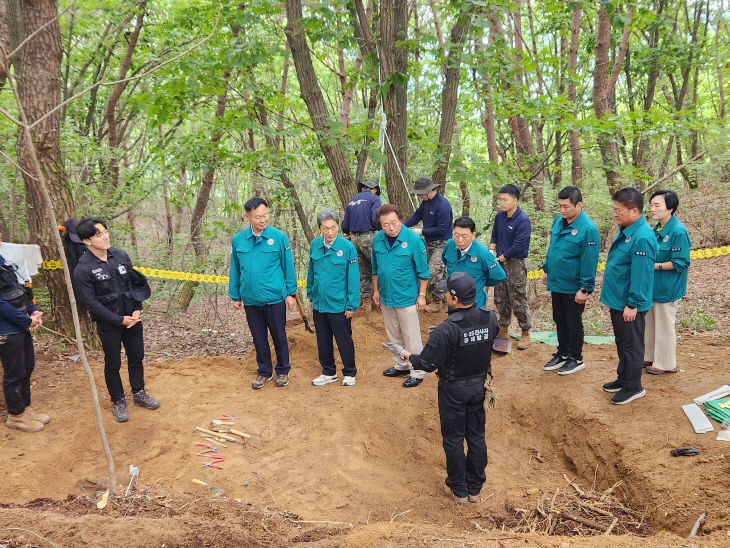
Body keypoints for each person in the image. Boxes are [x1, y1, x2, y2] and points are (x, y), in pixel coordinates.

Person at [382, 272, 498, 504]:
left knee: (454, 438)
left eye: (447, 292)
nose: (444, 294)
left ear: (454, 299)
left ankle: (459, 489)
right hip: (479, 386)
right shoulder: (490, 318)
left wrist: (403, 353)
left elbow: (426, 364)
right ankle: (474, 488)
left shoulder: (447, 330)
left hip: (453, 390)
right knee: (476, 436)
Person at [73, 218, 159, 422]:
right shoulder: (83, 269)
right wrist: (119, 320)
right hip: (109, 323)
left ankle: (139, 393)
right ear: (87, 241)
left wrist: (137, 310)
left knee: (136, 356)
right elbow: (91, 303)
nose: (105, 236)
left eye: (105, 231)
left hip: (133, 320)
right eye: (98, 234)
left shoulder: (120, 256)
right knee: (113, 361)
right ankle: (118, 400)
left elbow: (135, 284)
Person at [229, 197, 297, 389]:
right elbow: (235, 269)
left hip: (274, 297)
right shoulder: (238, 240)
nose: (262, 220)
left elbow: (288, 266)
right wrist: (235, 295)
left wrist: (290, 293)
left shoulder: (278, 237)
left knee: (278, 336)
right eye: (258, 217)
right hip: (251, 299)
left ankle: (283, 371)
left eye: (265, 215)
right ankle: (264, 372)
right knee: (258, 337)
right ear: (247, 217)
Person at [600, 188, 657, 405]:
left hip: (629, 303)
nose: (615, 214)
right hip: (617, 299)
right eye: (614, 210)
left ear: (634, 211)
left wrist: (633, 304)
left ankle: (634, 387)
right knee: (622, 341)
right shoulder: (627, 228)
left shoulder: (641, 236)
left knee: (632, 345)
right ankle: (623, 378)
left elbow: (641, 275)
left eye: (618, 211)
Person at [541, 186, 600, 375]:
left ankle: (576, 357)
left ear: (579, 205)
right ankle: (563, 353)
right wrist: (546, 269)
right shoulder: (559, 220)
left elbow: (589, 261)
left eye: (566, 206)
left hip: (573, 285)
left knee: (573, 322)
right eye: (559, 206)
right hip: (557, 281)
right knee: (559, 318)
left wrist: (585, 288)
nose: (562, 210)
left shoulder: (588, 229)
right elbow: (553, 248)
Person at [372, 204, 430, 388]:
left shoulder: (413, 240)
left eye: (394, 223)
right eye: (385, 224)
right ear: (380, 225)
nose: (391, 228)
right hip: (387, 296)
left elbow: (423, 271)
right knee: (394, 334)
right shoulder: (378, 239)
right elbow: (375, 269)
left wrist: (422, 295)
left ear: (401, 220)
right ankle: (402, 364)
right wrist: (376, 290)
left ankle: (417, 371)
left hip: (406, 296)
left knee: (411, 336)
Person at [307, 208, 360, 386]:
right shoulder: (315, 245)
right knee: (322, 339)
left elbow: (353, 279)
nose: (330, 232)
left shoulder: (347, 247)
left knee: (344, 339)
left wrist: (351, 304)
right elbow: (311, 273)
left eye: (333, 227)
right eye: (325, 228)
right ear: (319, 228)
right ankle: (328, 372)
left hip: (339, 304)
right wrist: (311, 297)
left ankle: (350, 372)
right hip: (319, 303)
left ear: (338, 226)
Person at [0, 233, 47, 432]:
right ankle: (15, 415)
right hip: (7, 330)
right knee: (14, 372)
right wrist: (27, 321)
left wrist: (32, 310)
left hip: (21, 325)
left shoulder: (3, 261)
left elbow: (19, 289)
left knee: (27, 366)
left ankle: (25, 408)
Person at [644, 190, 691, 375]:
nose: (652, 209)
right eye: (651, 205)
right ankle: (649, 356)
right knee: (650, 323)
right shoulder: (657, 229)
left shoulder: (678, 231)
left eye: (657, 205)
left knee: (664, 325)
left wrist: (654, 266)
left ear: (670, 208)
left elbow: (680, 262)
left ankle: (666, 363)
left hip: (668, 287)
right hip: (653, 287)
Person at [489, 184, 532, 349]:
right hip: (499, 261)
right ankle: (503, 329)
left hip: (515, 263)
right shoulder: (500, 216)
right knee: (500, 297)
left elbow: (519, 245)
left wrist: (501, 257)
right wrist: (491, 250)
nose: (502, 203)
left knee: (518, 298)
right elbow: (495, 234)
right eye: (500, 199)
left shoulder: (522, 220)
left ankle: (526, 332)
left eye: (505, 200)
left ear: (515, 200)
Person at [404, 176, 453, 312]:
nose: (419, 196)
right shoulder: (426, 202)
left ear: (430, 190)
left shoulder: (443, 205)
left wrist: (421, 231)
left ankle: (437, 302)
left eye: (420, 194)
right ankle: (443, 298)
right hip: (429, 243)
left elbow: (443, 228)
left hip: (442, 244)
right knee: (440, 273)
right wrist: (402, 227)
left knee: (432, 272)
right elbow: (417, 216)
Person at [442, 217, 505, 308]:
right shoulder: (449, 245)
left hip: (474, 306)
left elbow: (499, 276)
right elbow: (445, 260)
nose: (459, 240)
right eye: (456, 235)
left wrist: (480, 281)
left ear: (473, 235)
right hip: (453, 303)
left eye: (464, 236)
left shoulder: (483, 254)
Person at [341, 179, 381, 311]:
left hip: (354, 240)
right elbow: (375, 219)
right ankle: (384, 299)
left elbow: (345, 226)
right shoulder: (374, 199)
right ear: (374, 189)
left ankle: (366, 302)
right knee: (380, 266)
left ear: (362, 188)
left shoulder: (351, 201)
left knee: (362, 270)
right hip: (368, 237)